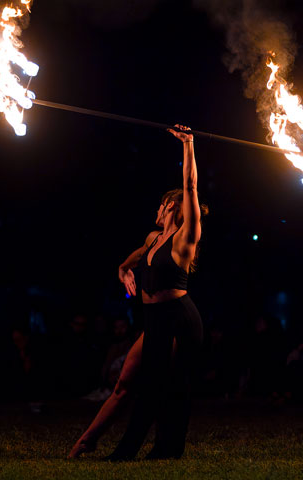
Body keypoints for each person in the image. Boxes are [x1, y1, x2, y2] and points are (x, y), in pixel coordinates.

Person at [74, 125, 206, 461]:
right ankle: (91, 440)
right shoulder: (153, 239)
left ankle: (136, 450)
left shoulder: (184, 238)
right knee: (127, 382)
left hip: (179, 319)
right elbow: (128, 261)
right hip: (155, 319)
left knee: (160, 385)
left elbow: (190, 185)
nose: (158, 210)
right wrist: (123, 272)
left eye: (164, 205)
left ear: (174, 208)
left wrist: (188, 144)